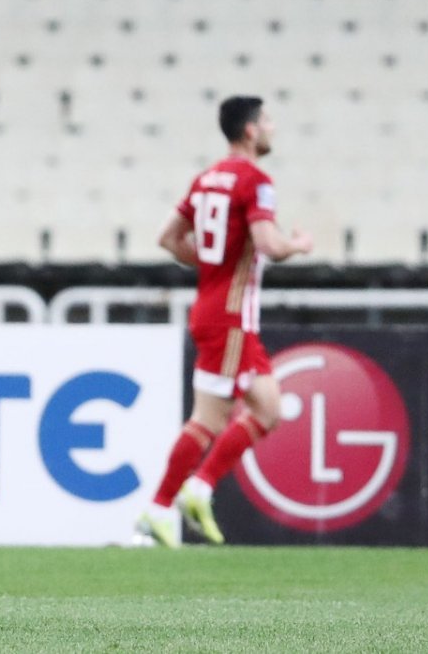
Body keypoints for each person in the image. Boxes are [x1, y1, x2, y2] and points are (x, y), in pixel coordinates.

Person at [135, 95, 313, 548]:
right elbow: (268, 244)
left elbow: (167, 238)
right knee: (207, 420)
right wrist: (297, 245)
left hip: (221, 313)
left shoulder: (206, 179)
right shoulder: (255, 180)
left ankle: (199, 488)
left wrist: (212, 264)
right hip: (230, 318)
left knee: (268, 408)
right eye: (267, 121)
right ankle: (158, 509)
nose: (272, 128)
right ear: (250, 130)